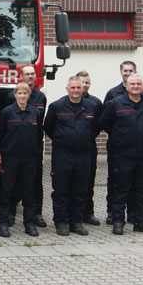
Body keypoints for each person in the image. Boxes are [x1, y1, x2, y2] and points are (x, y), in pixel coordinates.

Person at [100, 74, 143, 235]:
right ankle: (118, 222)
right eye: (132, 84)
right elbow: (105, 123)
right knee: (121, 189)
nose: (135, 86)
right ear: (126, 86)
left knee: (141, 190)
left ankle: (141, 221)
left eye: (138, 84)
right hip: (123, 155)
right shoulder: (115, 104)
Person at [44, 76, 100, 237]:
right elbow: (49, 127)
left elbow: (95, 127)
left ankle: (76, 222)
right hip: (63, 154)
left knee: (80, 189)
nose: (76, 90)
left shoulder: (91, 106)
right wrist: (64, 139)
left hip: (84, 154)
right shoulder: (57, 106)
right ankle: (61, 222)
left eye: (78, 87)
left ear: (83, 89)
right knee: (61, 189)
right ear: (67, 89)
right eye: (72, 87)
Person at [0, 83, 43, 238]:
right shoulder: (7, 112)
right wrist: (7, 151)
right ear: (15, 95)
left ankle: (29, 224)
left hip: (29, 160)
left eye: (25, 93)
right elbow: (1, 135)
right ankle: (3, 223)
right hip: (11, 159)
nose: (22, 96)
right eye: (19, 93)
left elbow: (38, 135)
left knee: (29, 192)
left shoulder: (35, 112)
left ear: (29, 95)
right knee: (7, 191)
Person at [4, 65, 48, 228]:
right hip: (15, 149)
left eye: (32, 74)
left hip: (33, 148)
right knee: (12, 183)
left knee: (35, 182)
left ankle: (36, 213)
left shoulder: (41, 97)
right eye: (27, 74)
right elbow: (5, 124)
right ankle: (10, 214)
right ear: (21, 76)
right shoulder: (10, 96)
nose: (30, 76)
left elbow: (39, 123)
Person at [76, 70, 103, 226]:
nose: (84, 85)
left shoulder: (95, 103)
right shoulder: (64, 102)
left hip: (89, 147)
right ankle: (73, 213)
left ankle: (88, 213)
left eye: (87, 82)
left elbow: (99, 124)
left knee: (88, 181)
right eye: (82, 82)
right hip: (71, 150)